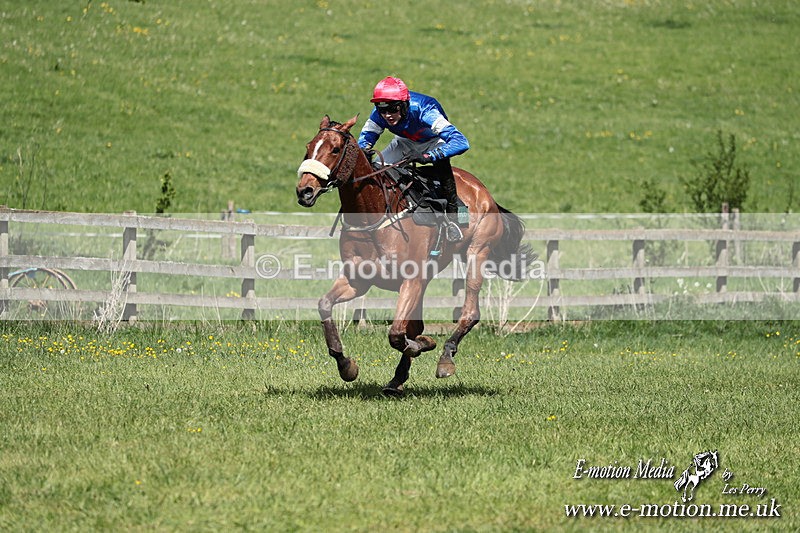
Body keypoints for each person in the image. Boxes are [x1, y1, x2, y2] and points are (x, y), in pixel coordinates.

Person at [357, 76, 469, 242]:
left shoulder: (425, 109)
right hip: (405, 142)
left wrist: (427, 156)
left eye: (393, 109)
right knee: (375, 168)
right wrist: (365, 151)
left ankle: (454, 216)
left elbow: (462, 142)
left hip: (434, 141)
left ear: (404, 105)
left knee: (442, 166)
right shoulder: (379, 114)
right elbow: (364, 142)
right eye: (382, 110)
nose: (387, 115)